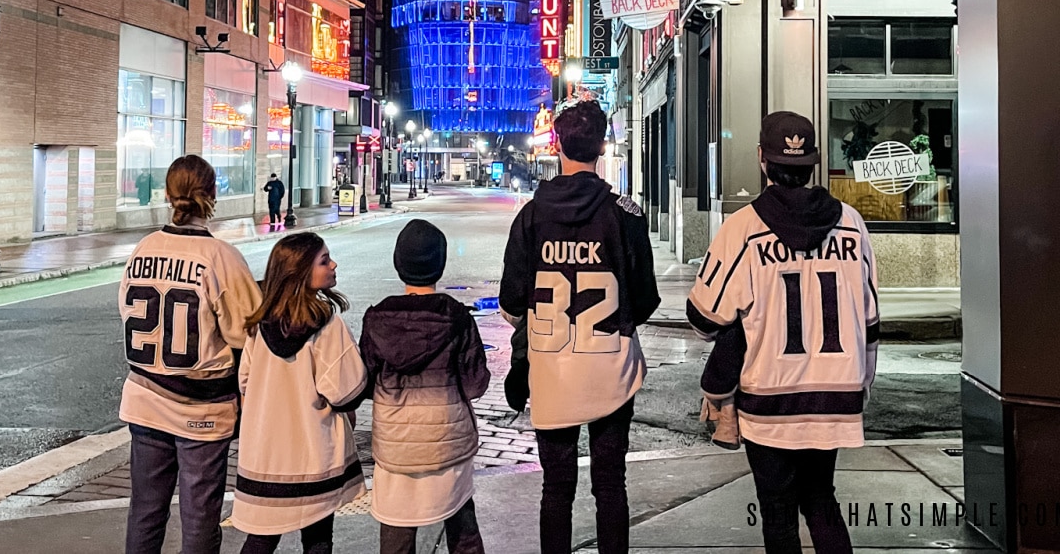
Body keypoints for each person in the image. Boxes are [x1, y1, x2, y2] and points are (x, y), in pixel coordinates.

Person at [687, 111, 880, 554]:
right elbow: (870, 321)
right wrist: (863, 384)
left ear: (761, 159)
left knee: (777, 515)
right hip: (837, 395)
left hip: (770, 399)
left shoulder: (743, 229)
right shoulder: (851, 223)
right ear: (813, 162)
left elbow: (703, 319)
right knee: (821, 502)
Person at [499, 99, 660, 554]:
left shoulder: (530, 216)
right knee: (610, 485)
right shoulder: (625, 216)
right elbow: (645, 299)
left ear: (557, 143)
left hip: (551, 372)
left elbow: (512, 301)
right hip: (611, 369)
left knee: (556, 488)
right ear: (602, 144)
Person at [119, 154, 262, 554]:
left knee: (145, 510)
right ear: (213, 193)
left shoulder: (142, 250)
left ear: (166, 194)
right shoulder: (220, 258)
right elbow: (247, 332)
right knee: (199, 516)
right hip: (202, 408)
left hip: (144, 398)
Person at [358, 219, 491, 554]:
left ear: (398, 264)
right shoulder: (456, 317)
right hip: (448, 443)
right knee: (462, 527)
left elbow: (363, 381)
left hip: (395, 445)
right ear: (440, 263)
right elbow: (476, 384)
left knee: (397, 530)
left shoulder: (377, 319)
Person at [231, 232, 367, 554]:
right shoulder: (326, 326)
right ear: (301, 271)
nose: (333, 264)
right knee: (318, 538)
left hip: (266, 455)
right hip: (314, 451)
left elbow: (246, 382)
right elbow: (347, 391)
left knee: (262, 537)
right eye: (324, 260)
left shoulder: (259, 327)